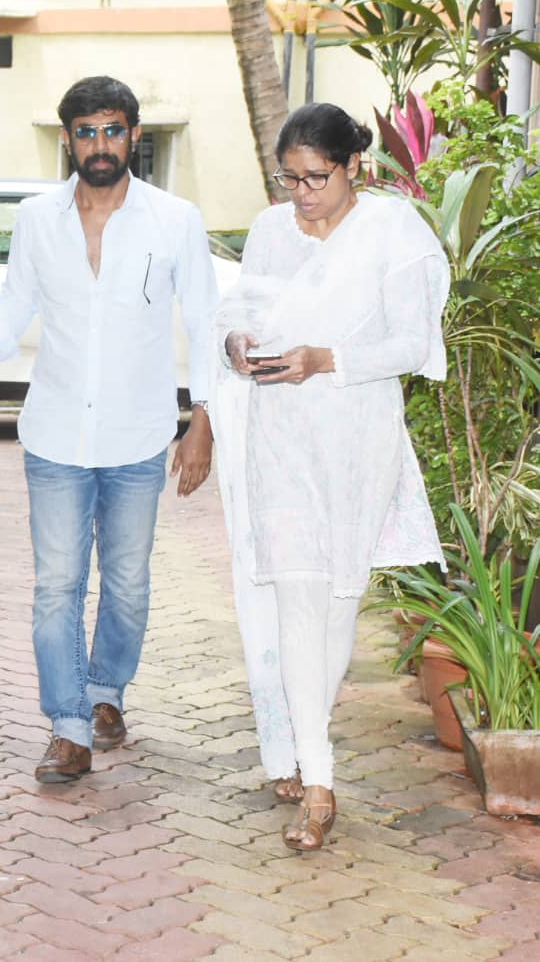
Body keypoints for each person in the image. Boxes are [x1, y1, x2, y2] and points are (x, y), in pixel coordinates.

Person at [0, 76, 218, 784]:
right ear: (67, 139)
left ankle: (107, 690)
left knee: (129, 585)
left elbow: (203, 323)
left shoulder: (175, 220)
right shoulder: (36, 219)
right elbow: (15, 302)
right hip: (53, 434)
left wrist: (204, 422)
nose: (99, 145)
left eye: (111, 130)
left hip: (138, 435)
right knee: (57, 588)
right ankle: (68, 725)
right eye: (85, 131)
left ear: (134, 135)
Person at [212, 102, 449, 851]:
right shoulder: (270, 231)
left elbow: (414, 344)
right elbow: (239, 313)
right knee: (295, 590)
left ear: (355, 169)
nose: (303, 193)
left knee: (339, 603)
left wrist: (327, 359)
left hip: (355, 438)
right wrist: (236, 346)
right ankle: (318, 781)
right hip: (277, 435)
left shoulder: (393, 232)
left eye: (317, 177)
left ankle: (310, 749)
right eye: (290, 179)